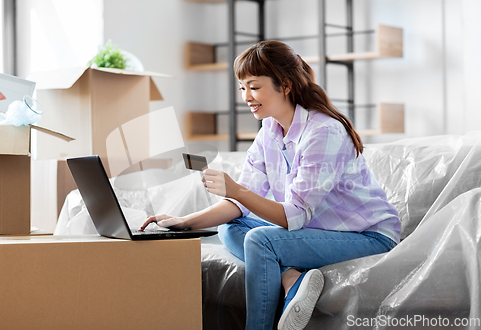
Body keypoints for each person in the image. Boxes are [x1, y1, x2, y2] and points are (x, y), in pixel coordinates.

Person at [140, 40, 400, 330]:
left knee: (260, 240)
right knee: (231, 225)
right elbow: (238, 205)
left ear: (285, 85)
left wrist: (236, 190)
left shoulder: (323, 131)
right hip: (316, 230)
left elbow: (294, 216)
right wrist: (183, 222)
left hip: (367, 236)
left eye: (254, 87)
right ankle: (291, 278)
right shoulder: (270, 130)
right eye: (242, 88)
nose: (246, 97)